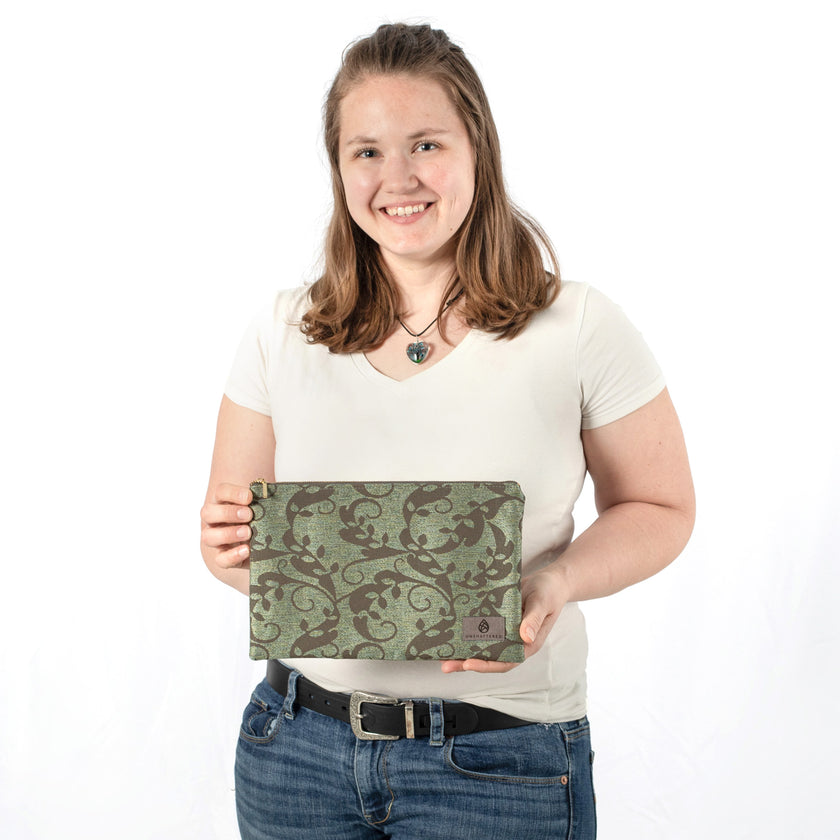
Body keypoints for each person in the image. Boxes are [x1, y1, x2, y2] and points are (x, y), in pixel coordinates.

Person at [200, 22, 694, 840]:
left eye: (425, 144)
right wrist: (230, 551)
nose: (397, 178)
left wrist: (556, 583)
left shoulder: (577, 325)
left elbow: (662, 506)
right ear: (339, 169)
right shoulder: (282, 331)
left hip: (500, 760)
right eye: (366, 151)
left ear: (478, 150)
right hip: (296, 751)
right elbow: (241, 551)